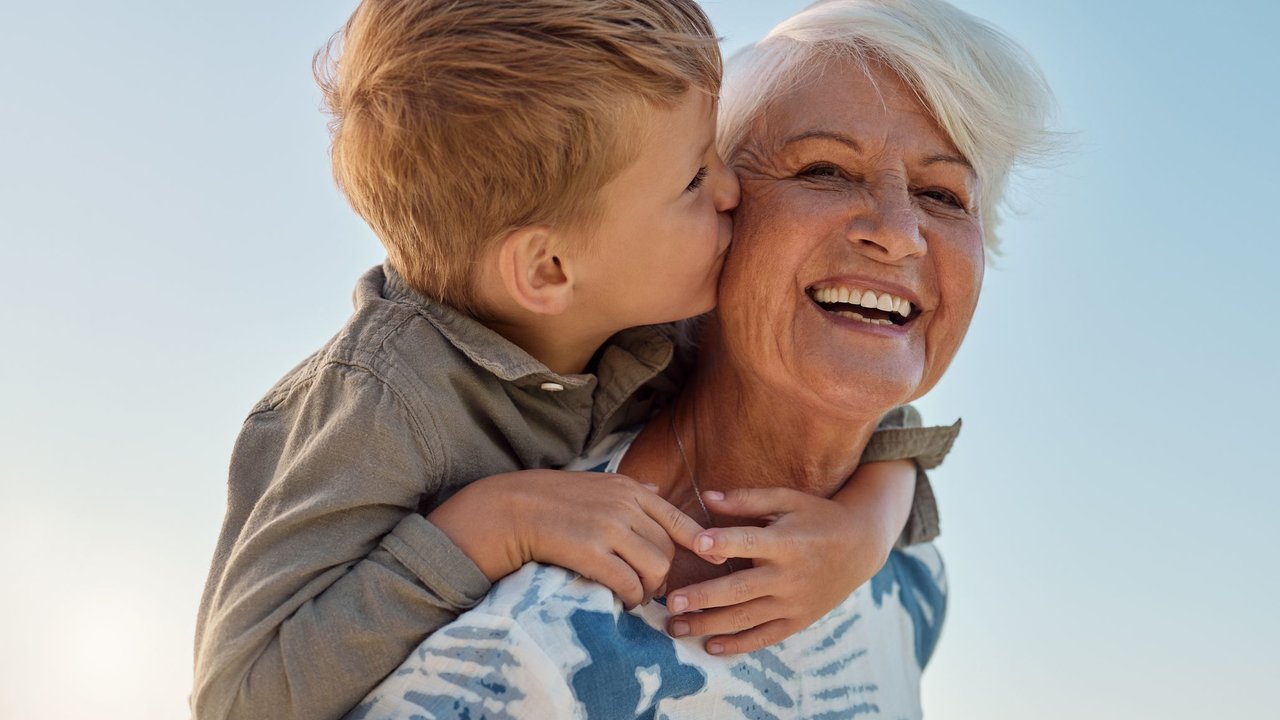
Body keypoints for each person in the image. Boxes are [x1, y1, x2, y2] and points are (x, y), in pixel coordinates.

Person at [191, 2, 955, 719]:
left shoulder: (639, 309)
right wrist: (490, 527)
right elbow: (243, 694)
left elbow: (861, 393)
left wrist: (864, 529)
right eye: (693, 178)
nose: (731, 192)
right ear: (548, 271)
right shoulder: (380, 406)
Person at [348, 0, 1055, 718]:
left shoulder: (910, 581)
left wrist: (870, 528)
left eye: (944, 194)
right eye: (825, 171)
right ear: (718, 220)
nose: (901, 235)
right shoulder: (516, 649)